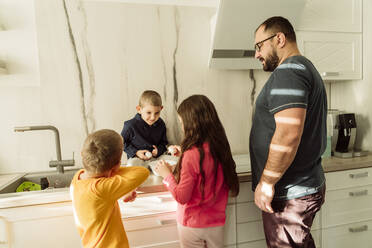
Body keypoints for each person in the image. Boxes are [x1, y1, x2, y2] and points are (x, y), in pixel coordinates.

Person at [250, 16, 327, 247]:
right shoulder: (302, 68)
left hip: (290, 193)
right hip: (298, 188)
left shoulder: (290, 71)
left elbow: (288, 134)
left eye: (259, 46)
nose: (256, 54)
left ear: (279, 39)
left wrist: (266, 183)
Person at [153, 94, 240, 248]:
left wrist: (166, 175)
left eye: (181, 123)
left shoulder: (191, 155)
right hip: (216, 224)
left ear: (191, 124)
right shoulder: (220, 148)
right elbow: (207, 169)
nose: (182, 127)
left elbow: (181, 196)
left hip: (192, 224)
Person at [70, 129, 150, 248]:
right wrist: (115, 169)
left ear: (83, 154)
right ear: (117, 165)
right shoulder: (102, 188)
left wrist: (119, 193)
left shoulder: (79, 176)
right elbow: (142, 172)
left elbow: (100, 202)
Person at [121, 90, 169, 167]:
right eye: (148, 113)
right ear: (139, 109)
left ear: (161, 108)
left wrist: (158, 151)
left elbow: (164, 143)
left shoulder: (161, 124)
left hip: (156, 159)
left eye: (157, 113)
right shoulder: (130, 125)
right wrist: (136, 152)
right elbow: (122, 143)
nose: (153, 118)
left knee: (173, 161)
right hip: (137, 159)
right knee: (131, 164)